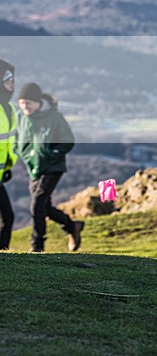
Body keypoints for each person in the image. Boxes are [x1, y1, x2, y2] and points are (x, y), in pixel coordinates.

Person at [15, 82, 83, 252]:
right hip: (34, 168)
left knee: (37, 205)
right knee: (45, 208)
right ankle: (72, 226)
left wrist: (52, 153)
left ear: (38, 102)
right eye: (22, 103)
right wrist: (23, 154)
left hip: (53, 167)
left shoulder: (54, 117)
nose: (25, 107)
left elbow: (68, 140)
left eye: (28, 103)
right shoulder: (21, 118)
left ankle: (37, 247)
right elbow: (17, 140)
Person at [0, 59, 17, 250]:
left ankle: (3, 257)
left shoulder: (9, 109)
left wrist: (7, 167)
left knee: (8, 217)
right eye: (7, 81)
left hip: (1, 175)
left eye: (12, 81)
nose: (11, 85)